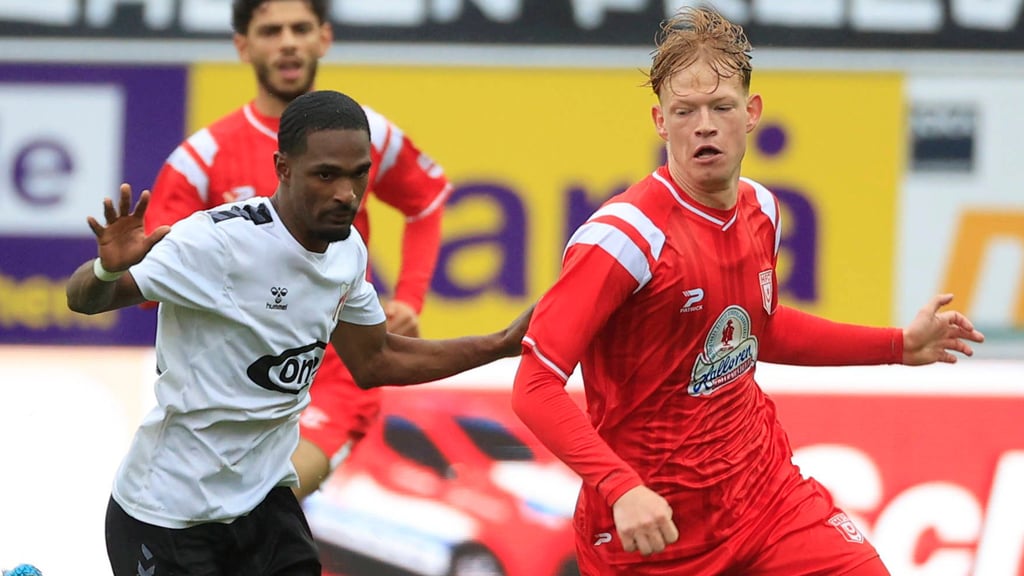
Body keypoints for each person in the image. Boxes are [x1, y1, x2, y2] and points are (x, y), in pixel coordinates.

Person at [511, 7, 985, 576]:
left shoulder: (761, 209)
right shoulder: (623, 237)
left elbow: (758, 327)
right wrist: (619, 486)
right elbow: (534, 386)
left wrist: (897, 345)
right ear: (661, 122)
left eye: (721, 107)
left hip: (764, 497)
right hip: (653, 528)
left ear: (751, 113)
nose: (704, 125)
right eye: (685, 111)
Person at [67, 90, 528, 576]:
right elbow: (83, 300)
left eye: (358, 175)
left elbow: (377, 361)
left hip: (263, 507)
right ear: (283, 168)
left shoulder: (348, 250)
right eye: (326, 175)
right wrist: (103, 270)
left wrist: (499, 345)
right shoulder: (217, 243)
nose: (346, 194)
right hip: (167, 516)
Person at [144, 0, 452, 499]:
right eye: (270, 30)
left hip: (334, 376)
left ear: (323, 38)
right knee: (227, 520)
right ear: (243, 46)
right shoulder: (201, 159)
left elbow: (427, 200)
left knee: (269, 497)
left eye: (300, 27)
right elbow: (148, 288)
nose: (287, 40)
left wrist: (410, 299)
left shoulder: (365, 135)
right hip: (230, 390)